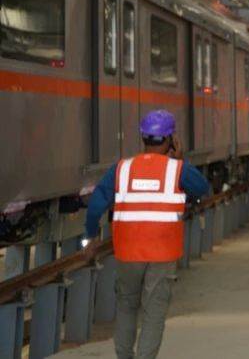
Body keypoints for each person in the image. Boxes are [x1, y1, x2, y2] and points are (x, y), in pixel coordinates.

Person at [83, 110, 211, 359]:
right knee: (154, 312)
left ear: (143, 137)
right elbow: (202, 188)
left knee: (126, 306)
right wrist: (181, 160)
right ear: (171, 140)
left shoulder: (122, 169)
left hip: (128, 251)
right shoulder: (178, 170)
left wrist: (91, 237)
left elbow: (97, 203)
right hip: (163, 253)